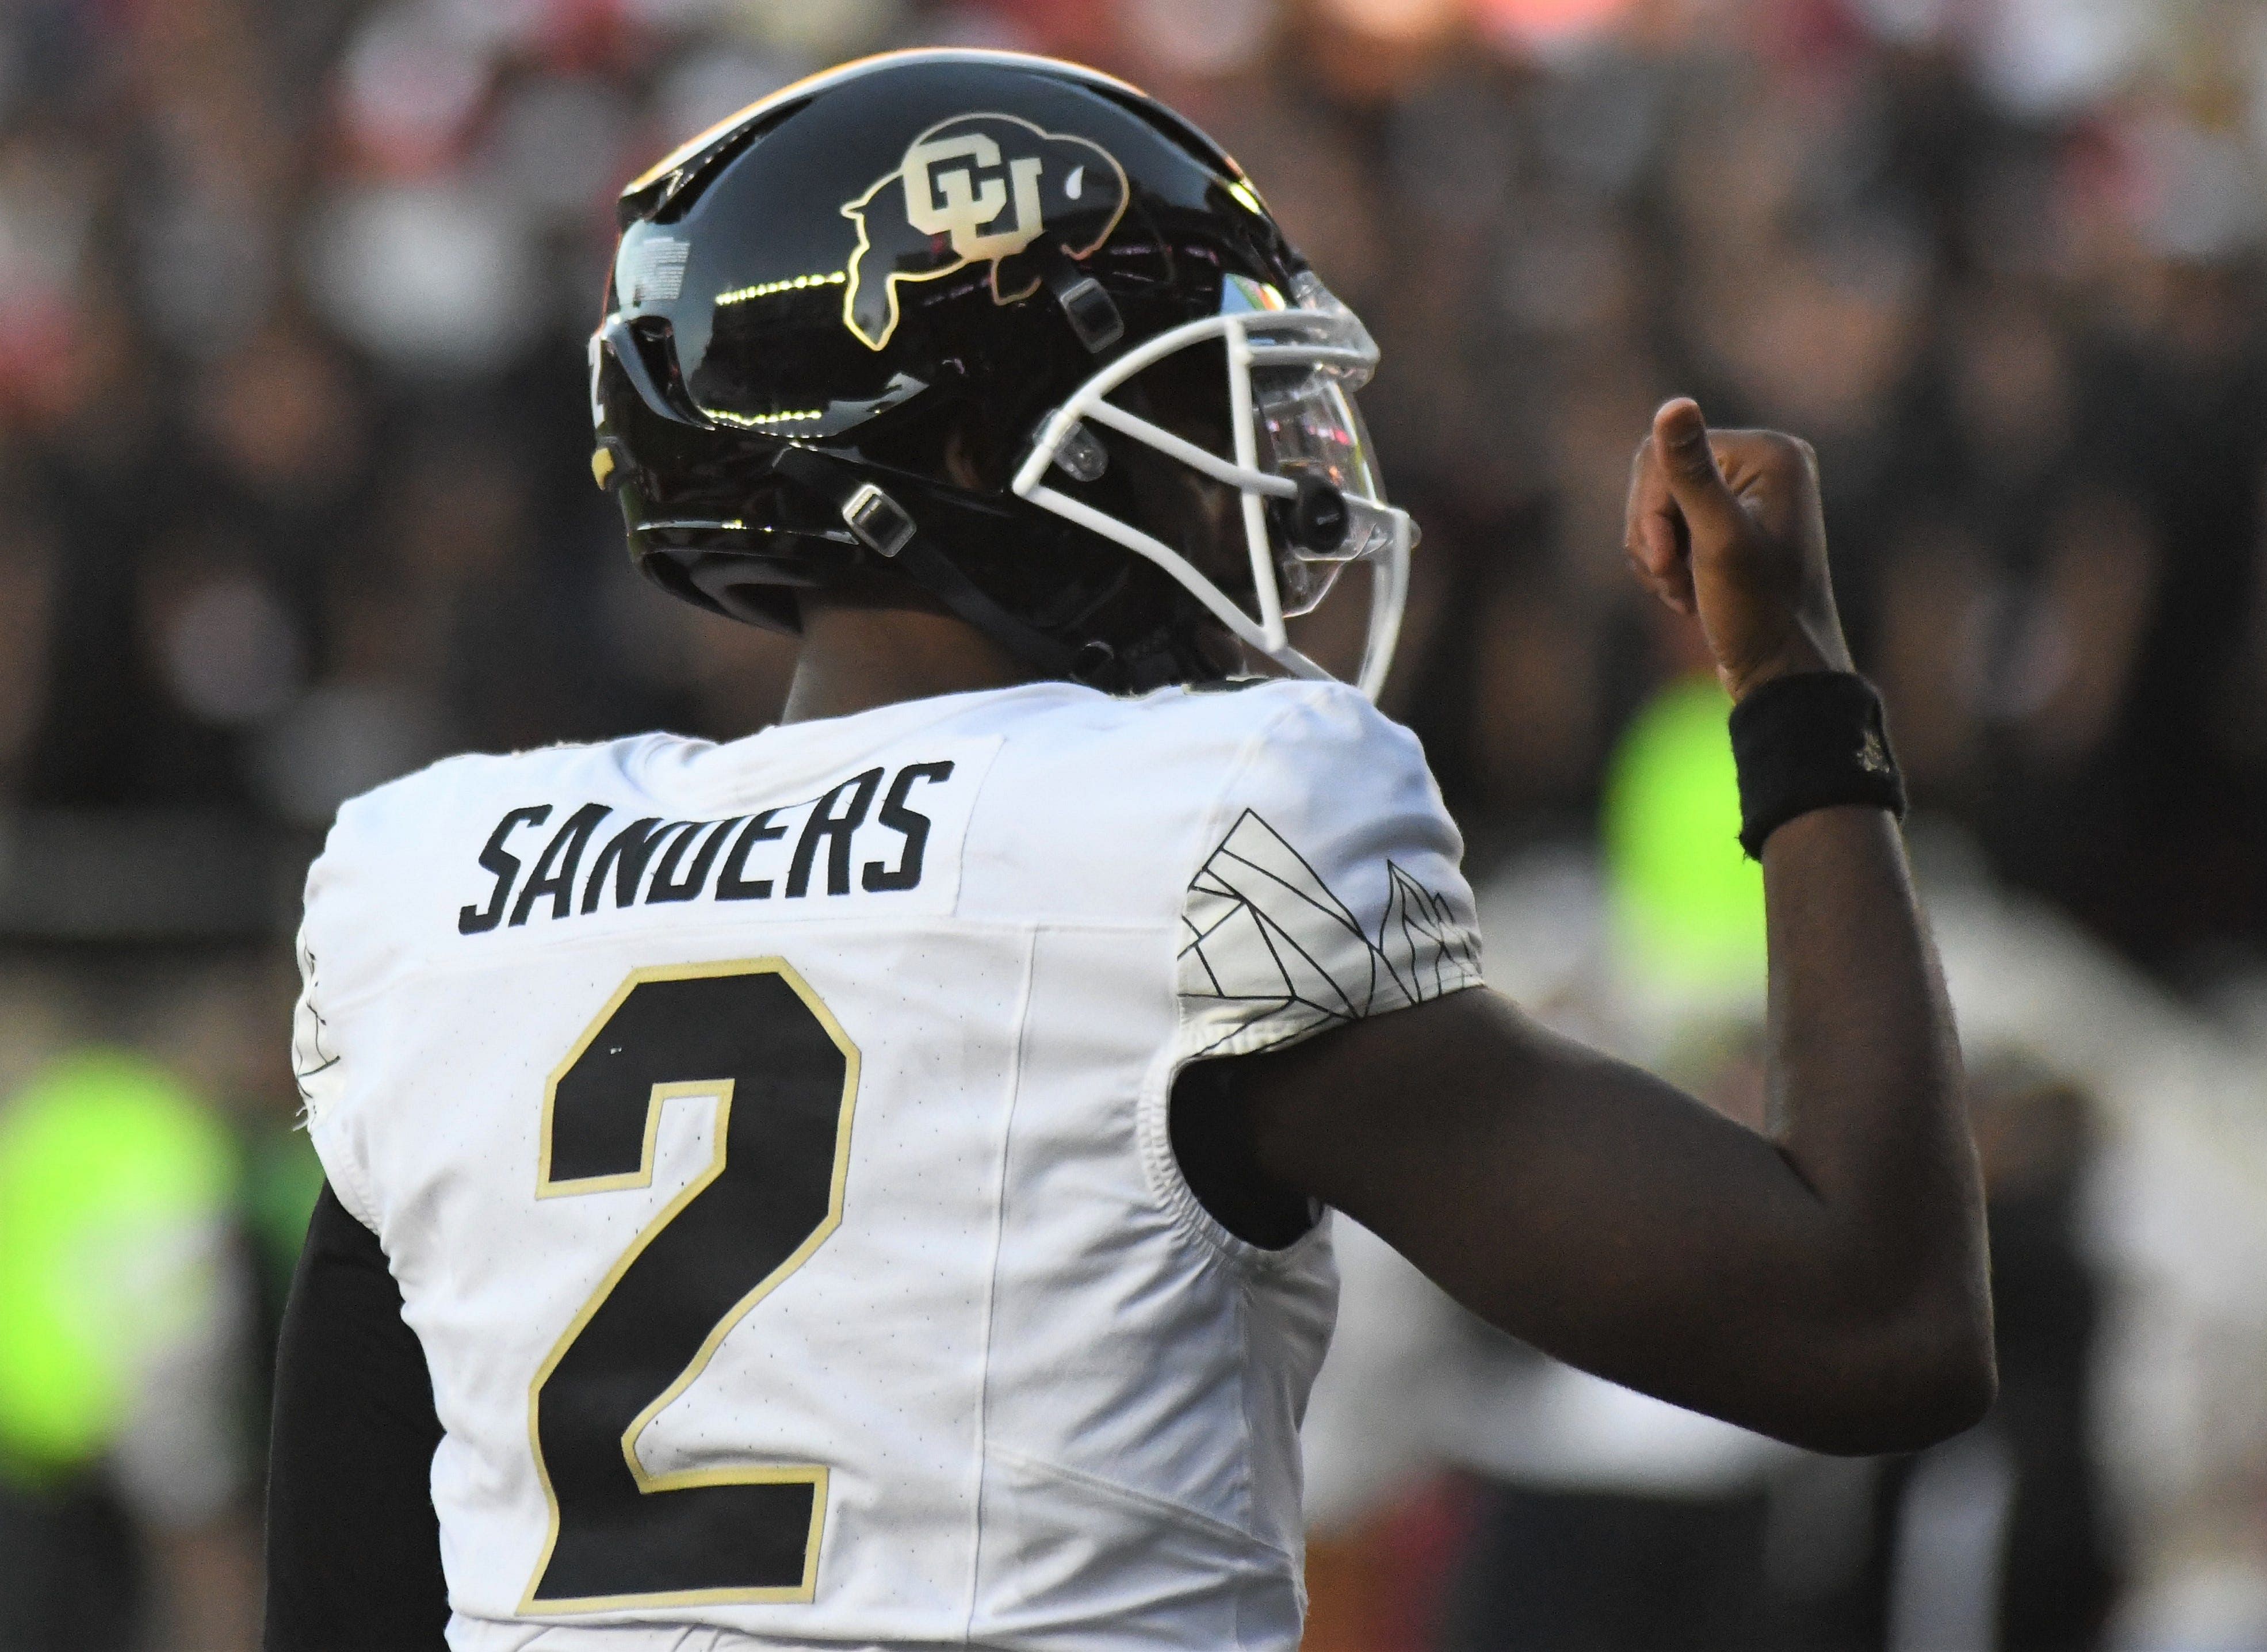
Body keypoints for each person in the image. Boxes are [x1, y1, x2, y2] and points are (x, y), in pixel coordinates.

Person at [262, 48, 1993, 1652]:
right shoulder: (1187, 834)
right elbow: (1875, 1323)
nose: (1265, 488)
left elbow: (337, 1600)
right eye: (1199, 417)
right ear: (961, 454)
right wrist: (1796, 688)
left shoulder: (444, 891)